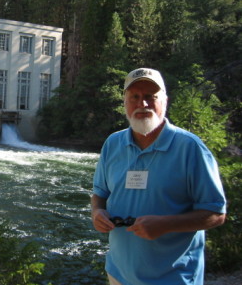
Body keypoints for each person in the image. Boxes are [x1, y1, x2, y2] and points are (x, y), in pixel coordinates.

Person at [91, 68, 226, 285]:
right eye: (134, 97)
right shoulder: (113, 144)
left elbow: (216, 213)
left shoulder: (190, 148)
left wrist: (166, 225)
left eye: (150, 97)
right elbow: (100, 193)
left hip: (173, 278)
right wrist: (97, 211)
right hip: (118, 273)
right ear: (124, 102)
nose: (142, 104)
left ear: (164, 101)